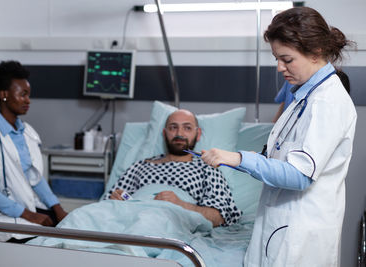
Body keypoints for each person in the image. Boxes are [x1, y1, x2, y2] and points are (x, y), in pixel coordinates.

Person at [201, 7, 357, 266]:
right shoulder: (303, 95)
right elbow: (279, 156)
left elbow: (299, 175)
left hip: (300, 234)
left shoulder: (328, 102)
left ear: (316, 52)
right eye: (276, 58)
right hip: (281, 225)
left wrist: (239, 158)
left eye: (286, 59)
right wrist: (245, 160)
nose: (279, 67)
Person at [0, 61, 68, 242]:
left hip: (24, 206)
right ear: (4, 95)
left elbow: (35, 178)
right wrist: (30, 215)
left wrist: (57, 208)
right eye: (23, 95)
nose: (28, 100)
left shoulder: (28, 133)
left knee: (65, 226)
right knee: (44, 237)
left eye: (28, 94)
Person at [104, 109, 242, 227]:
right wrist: (116, 198)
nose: (179, 133)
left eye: (187, 128)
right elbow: (108, 201)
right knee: (86, 216)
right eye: (173, 127)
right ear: (164, 134)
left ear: (198, 134)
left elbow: (220, 216)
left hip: (169, 221)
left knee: (148, 224)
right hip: (128, 218)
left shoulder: (207, 167)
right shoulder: (140, 165)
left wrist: (181, 204)